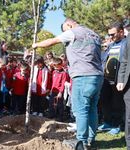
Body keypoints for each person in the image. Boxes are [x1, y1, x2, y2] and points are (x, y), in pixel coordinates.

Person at [32, 18, 103, 148]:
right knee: (92, 109)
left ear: (69, 25)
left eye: (65, 29)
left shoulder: (73, 32)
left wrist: (36, 45)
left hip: (83, 76)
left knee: (81, 110)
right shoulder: (94, 34)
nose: (65, 33)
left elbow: (52, 41)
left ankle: (81, 142)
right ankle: (91, 139)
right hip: (97, 75)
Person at [98, 22, 126, 135]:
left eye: (112, 34)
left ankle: (117, 124)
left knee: (117, 103)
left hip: (118, 80)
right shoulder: (110, 45)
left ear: (121, 32)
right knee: (105, 101)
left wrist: (122, 79)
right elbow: (103, 60)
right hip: (106, 79)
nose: (110, 37)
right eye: (109, 35)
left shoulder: (126, 44)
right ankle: (108, 122)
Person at [116, 32, 130, 150]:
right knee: (129, 116)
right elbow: (124, 61)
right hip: (129, 83)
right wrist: (120, 79)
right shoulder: (128, 39)